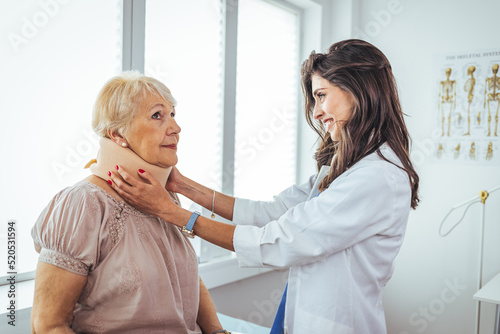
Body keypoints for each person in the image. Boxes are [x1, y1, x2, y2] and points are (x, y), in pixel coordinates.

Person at [109, 39, 420, 333]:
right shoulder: (345, 167)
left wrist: (172, 213)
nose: (316, 112)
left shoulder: (378, 177)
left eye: (322, 95)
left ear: (360, 90)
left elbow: (281, 240)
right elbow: (274, 212)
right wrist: (185, 186)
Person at [30, 72, 228, 334]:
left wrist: (217, 331)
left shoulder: (163, 197)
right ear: (118, 135)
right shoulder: (82, 204)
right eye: (157, 115)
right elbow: (47, 325)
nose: (175, 128)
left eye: (173, 114)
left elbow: (184, 278)